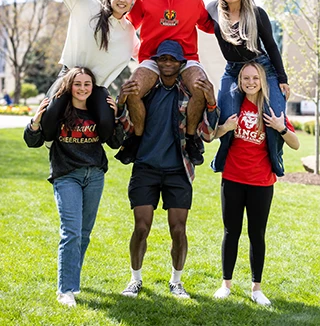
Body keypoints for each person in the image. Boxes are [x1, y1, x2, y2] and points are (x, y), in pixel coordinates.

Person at [115, 40, 219, 299]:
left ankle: (176, 281)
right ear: (157, 63)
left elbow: (208, 134)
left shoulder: (189, 96)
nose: (168, 64)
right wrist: (120, 101)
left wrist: (212, 102)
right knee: (141, 227)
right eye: (163, 60)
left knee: (178, 229)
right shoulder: (145, 93)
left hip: (178, 170)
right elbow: (122, 128)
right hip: (146, 168)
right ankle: (135, 279)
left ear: (181, 64)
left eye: (173, 60)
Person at [23, 67, 126, 307]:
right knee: (71, 231)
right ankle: (65, 289)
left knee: (84, 233)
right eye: (77, 84)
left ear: (93, 86)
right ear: (69, 86)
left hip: (95, 174)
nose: (82, 89)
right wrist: (35, 122)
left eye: (87, 84)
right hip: (66, 174)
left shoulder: (98, 110)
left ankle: (72, 279)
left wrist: (115, 117)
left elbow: (114, 143)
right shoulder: (58, 111)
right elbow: (33, 142)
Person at [35, 0, 140, 142]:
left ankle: (91, 156)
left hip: (96, 86)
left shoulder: (129, 30)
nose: (122, 0)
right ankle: (60, 149)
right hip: (70, 76)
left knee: (106, 125)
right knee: (49, 121)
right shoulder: (88, 7)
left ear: (132, 2)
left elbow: (142, 53)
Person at [213, 62, 299, 306]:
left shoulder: (274, 108)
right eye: (245, 78)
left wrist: (281, 128)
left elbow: (295, 144)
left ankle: (256, 288)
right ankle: (226, 284)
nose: (250, 82)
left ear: (262, 80)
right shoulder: (232, 104)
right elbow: (211, 134)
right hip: (232, 178)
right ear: (239, 81)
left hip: (261, 182)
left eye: (255, 78)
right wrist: (225, 127)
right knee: (231, 232)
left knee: (256, 234)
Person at [121, 0, 215, 165]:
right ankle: (136, 139)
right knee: (133, 90)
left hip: (186, 59)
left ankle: (191, 138)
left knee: (201, 86)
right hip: (152, 58)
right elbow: (126, 27)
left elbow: (208, 25)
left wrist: (231, 20)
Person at [206, 0, 290, 177]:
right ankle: (222, 160)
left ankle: (275, 160)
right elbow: (190, 17)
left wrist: (282, 79)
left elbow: (271, 46)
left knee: (275, 116)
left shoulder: (257, 13)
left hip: (262, 68)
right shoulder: (213, 9)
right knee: (226, 116)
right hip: (233, 70)